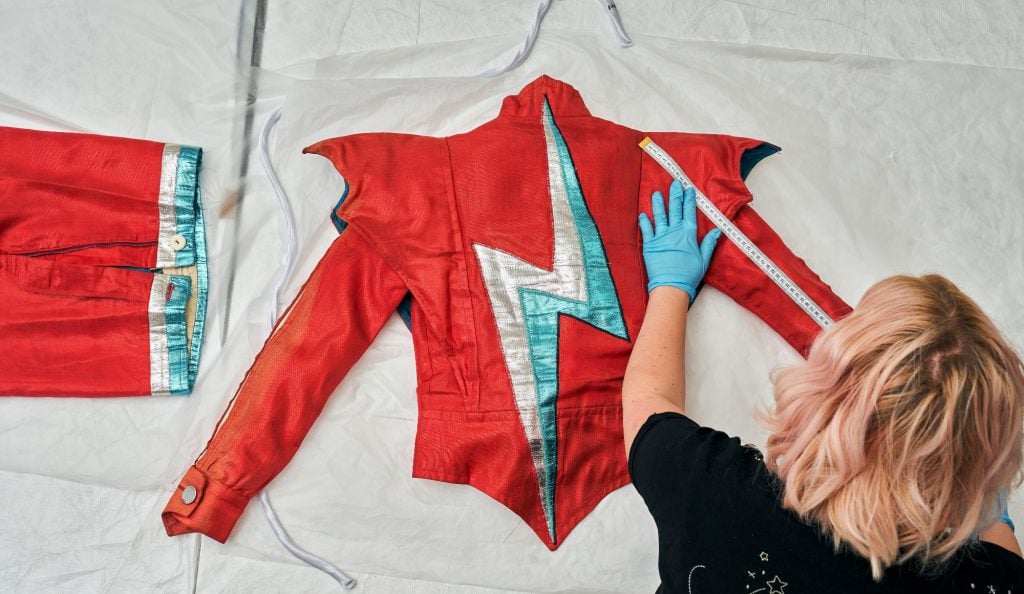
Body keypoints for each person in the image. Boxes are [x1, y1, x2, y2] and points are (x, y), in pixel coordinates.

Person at [623, 180, 1024, 592]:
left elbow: (648, 399)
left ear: (817, 392)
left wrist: (670, 285)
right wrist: (984, 499)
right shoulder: (991, 581)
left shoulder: (711, 490)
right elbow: (1005, 557)